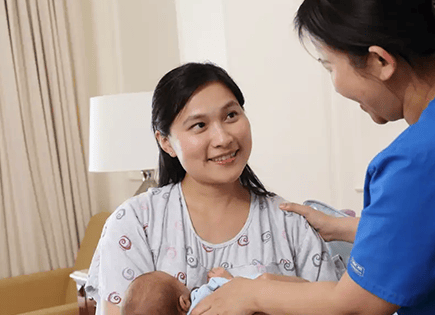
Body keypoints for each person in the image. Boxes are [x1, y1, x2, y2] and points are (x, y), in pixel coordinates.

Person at [189, 0, 435, 314]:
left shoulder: (421, 159)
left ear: (380, 61)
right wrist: (342, 228)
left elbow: (356, 306)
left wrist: (252, 292)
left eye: (329, 65)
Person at [85, 62, 346, 315]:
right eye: (199, 125)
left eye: (231, 115)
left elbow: (338, 307)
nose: (223, 138)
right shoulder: (135, 224)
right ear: (165, 142)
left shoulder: (290, 222)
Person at [121, 267, 305, 315]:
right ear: (183, 303)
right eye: (177, 280)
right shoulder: (202, 296)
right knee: (267, 280)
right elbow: (235, 289)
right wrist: (226, 278)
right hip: (267, 305)